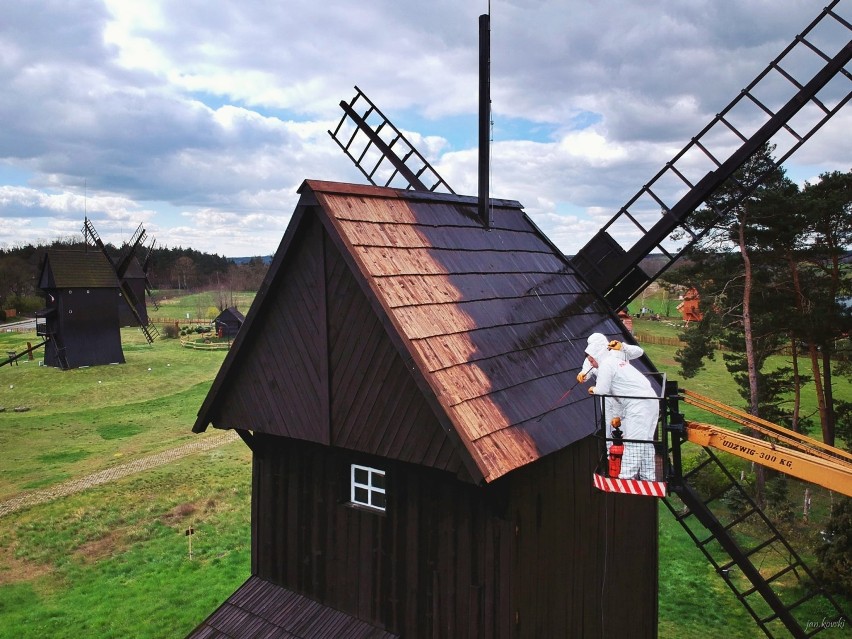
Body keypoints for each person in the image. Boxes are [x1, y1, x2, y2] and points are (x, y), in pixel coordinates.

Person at [581, 333, 659, 481]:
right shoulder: (614, 361)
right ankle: (648, 476)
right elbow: (618, 391)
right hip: (649, 400)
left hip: (638, 404)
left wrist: (593, 389)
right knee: (646, 442)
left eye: (591, 360)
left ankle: (625, 478)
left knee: (633, 442)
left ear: (597, 355)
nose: (590, 363)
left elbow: (603, 390)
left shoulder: (607, 364)